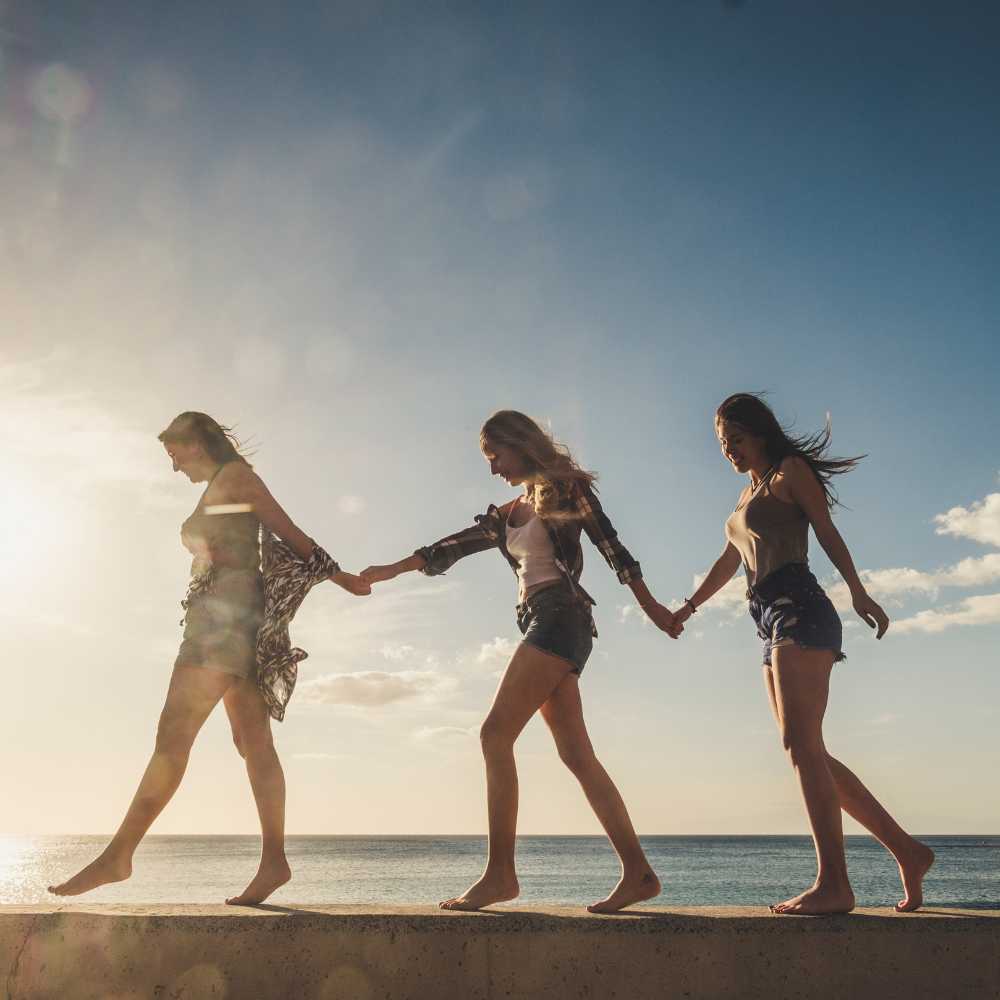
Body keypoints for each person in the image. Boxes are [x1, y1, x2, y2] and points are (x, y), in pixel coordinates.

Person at [361, 410, 678, 912]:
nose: (492, 468)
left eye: (495, 456)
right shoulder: (505, 513)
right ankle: (639, 873)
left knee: (494, 735)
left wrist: (653, 608)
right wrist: (388, 570)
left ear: (518, 444)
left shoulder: (564, 491)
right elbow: (447, 549)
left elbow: (614, 549)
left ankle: (500, 875)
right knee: (577, 756)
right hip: (540, 620)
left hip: (562, 617)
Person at [49, 412, 370, 904]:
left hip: (222, 625)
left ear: (197, 442)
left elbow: (292, 534)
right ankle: (274, 862)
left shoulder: (236, 477)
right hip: (235, 620)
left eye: (175, 454)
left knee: (172, 739)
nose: (174, 467)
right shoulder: (224, 484)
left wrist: (342, 577)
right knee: (253, 741)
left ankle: (119, 856)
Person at [670, 393, 933, 914]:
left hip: (801, 608)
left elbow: (827, 530)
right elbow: (729, 560)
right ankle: (907, 851)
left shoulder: (790, 472)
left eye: (736, 441)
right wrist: (687, 609)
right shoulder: (747, 497)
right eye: (723, 445)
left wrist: (858, 590)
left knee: (800, 744)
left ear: (760, 433)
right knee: (804, 749)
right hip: (765, 619)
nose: (729, 451)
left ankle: (835, 884)